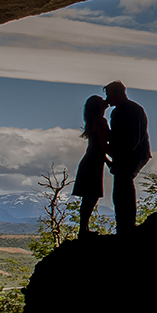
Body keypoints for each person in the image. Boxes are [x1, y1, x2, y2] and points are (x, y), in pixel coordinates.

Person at [104, 80, 151, 233]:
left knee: (122, 184)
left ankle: (126, 225)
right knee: (122, 185)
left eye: (108, 95)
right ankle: (125, 224)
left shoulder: (131, 110)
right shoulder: (123, 110)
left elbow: (133, 138)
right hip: (131, 154)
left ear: (115, 94)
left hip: (133, 154)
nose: (107, 99)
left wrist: (121, 156)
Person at [72, 95, 109, 235]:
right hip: (94, 162)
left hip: (90, 161)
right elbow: (102, 146)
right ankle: (83, 230)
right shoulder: (100, 121)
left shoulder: (92, 121)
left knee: (88, 197)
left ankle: (83, 229)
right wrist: (111, 161)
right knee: (91, 197)